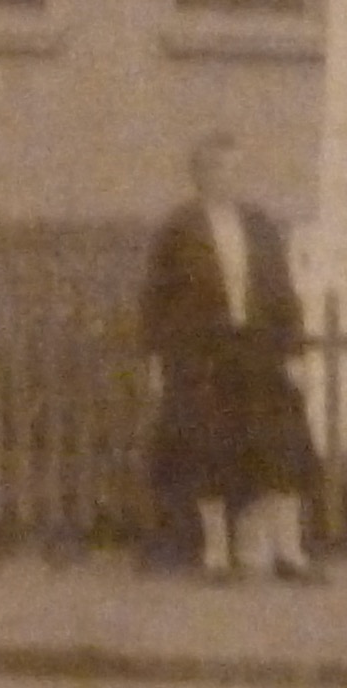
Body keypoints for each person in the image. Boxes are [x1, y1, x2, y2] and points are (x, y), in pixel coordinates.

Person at [139, 130, 325, 579]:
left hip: (258, 350)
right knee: (208, 449)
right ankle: (217, 555)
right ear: (200, 175)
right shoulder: (178, 230)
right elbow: (155, 301)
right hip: (203, 355)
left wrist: (294, 352)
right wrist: (156, 361)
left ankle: (289, 553)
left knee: (281, 445)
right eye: (218, 169)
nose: (228, 178)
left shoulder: (259, 225)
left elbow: (282, 291)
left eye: (234, 169)